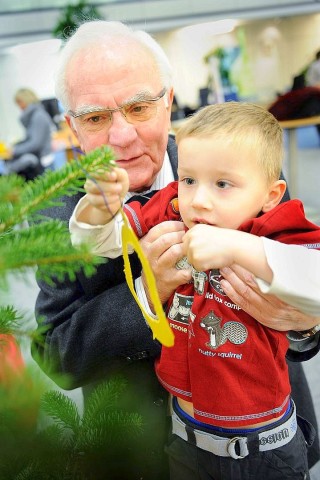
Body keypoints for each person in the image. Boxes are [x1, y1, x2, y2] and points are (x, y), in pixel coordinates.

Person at [31, 20, 320, 479]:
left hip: (264, 440)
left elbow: (305, 284)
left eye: (139, 107)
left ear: (167, 101)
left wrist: (306, 322)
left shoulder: (238, 168)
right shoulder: (56, 218)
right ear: (72, 127)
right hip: (138, 457)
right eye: (96, 118)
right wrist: (147, 292)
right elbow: (56, 354)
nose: (122, 137)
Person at [4, 88, 55, 180]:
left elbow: (35, 143)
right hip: (41, 160)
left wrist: (15, 150)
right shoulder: (34, 116)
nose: (19, 106)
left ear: (26, 100)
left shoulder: (38, 116)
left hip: (43, 162)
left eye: (19, 102)